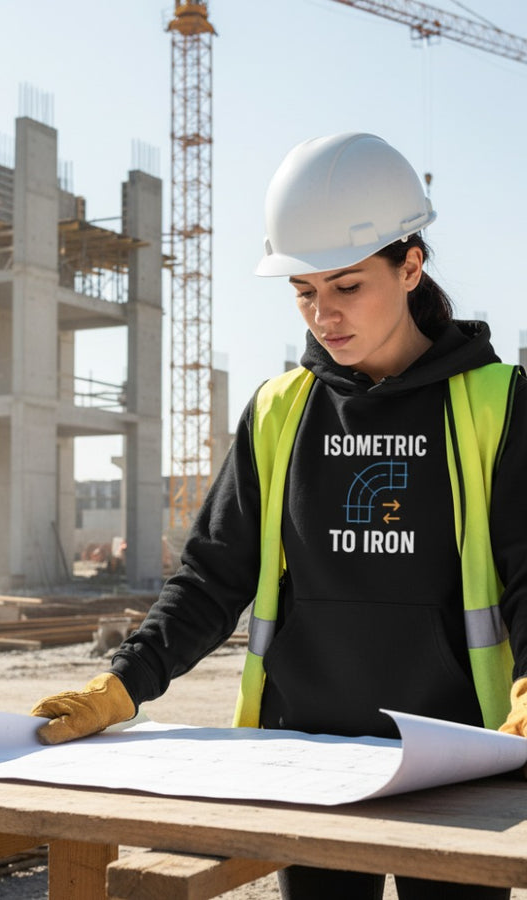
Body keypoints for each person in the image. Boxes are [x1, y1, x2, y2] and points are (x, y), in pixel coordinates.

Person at [31, 132, 527, 899]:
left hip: (457, 761)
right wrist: (125, 681)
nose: (323, 315)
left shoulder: (496, 403)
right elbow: (212, 576)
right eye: (303, 291)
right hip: (307, 759)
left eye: (346, 285)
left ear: (410, 266)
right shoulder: (278, 412)